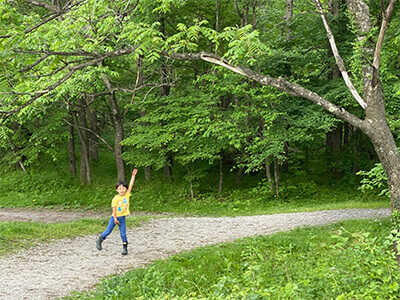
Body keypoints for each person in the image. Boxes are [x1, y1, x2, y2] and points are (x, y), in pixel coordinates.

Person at [96, 169, 138, 255]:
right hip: (114, 217)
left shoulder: (127, 195)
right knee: (108, 231)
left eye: (123, 188)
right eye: (119, 189)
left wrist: (133, 176)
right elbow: (114, 210)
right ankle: (100, 239)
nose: (122, 190)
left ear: (126, 189)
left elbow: (131, 185)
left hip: (122, 217)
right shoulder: (115, 199)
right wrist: (115, 218)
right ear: (117, 190)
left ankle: (125, 248)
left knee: (123, 233)